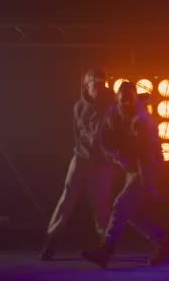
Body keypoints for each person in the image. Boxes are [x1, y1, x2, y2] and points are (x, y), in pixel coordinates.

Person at [81, 81, 169, 268]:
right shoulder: (114, 112)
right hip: (132, 168)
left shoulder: (142, 121)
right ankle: (163, 244)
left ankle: (106, 250)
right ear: (117, 98)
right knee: (132, 213)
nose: (126, 104)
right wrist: (116, 157)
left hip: (148, 167)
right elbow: (103, 138)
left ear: (135, 98)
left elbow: (145, 155)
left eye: (129, 100)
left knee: (120, 205)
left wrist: (148, 183)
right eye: (123, 100)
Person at [40, 68, 117, 261]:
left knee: (101, 205)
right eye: (95, 83)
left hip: (102, 162)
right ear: (87, 84)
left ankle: (106, 244)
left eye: (102, 82)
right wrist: (82, 154)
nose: (99, 86)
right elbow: (78, 135)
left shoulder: (111, 105)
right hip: (81, 158)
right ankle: (52, 241)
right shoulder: (78, 107)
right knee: (66, 199)